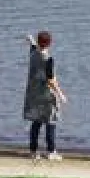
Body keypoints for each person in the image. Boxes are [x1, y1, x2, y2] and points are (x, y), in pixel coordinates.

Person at [23, 31, 66, 161]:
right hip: (46, 94)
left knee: (36, 122)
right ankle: (51, 151)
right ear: (50, 43)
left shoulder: (34, 54)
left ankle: (33, 150)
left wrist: (30, 40)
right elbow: (50, 80)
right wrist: (60, 94)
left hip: (34, 93)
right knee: (51, 121)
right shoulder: (48, 60)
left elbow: (34, 47)